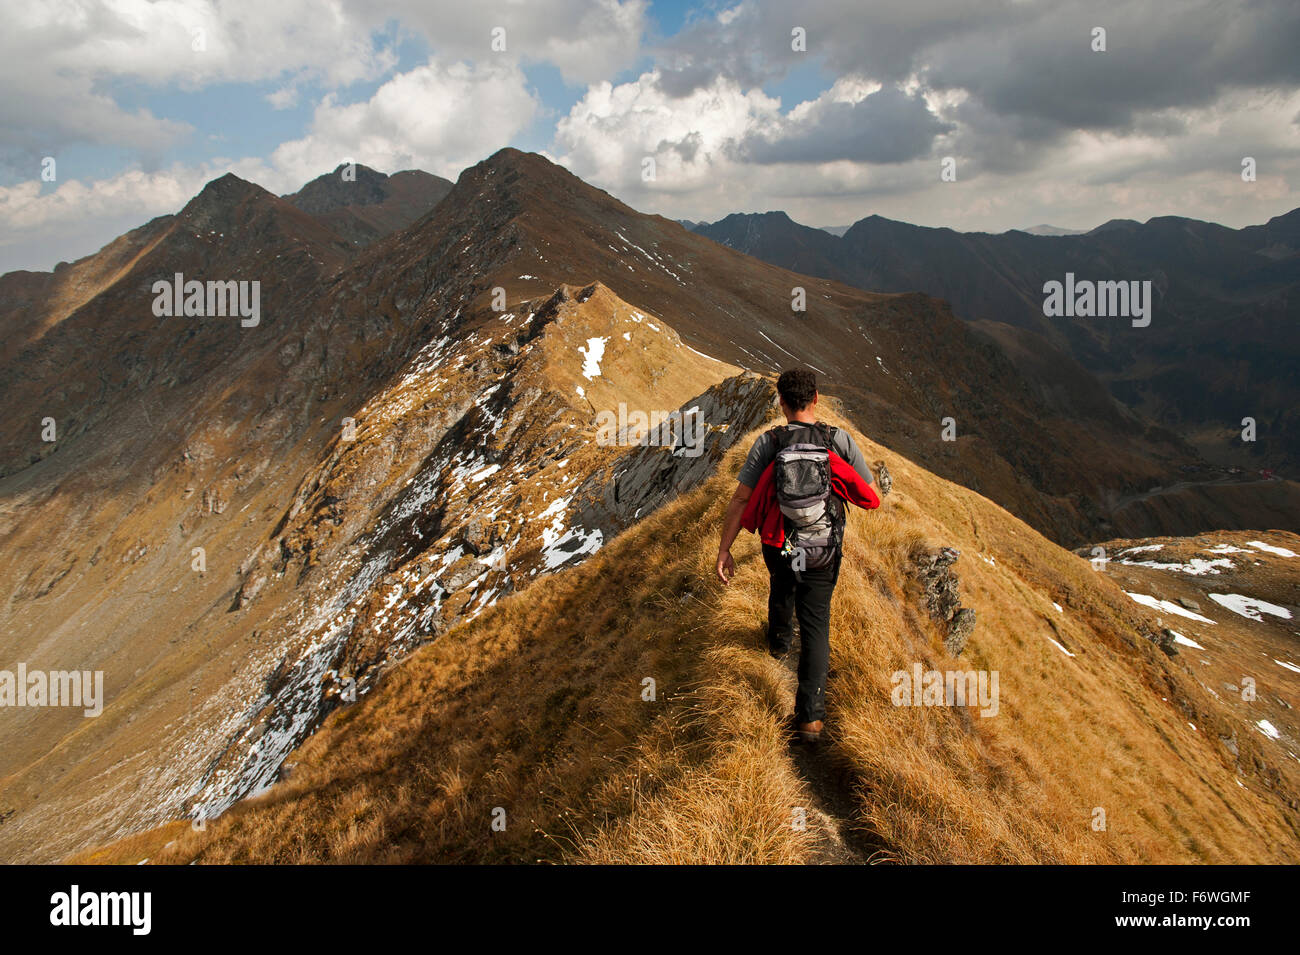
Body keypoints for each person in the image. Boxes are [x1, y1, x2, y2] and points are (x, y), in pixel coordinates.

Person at [715, 369, 880, 744]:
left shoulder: (769, 442)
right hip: (822, 547)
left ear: (781, 402)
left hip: (780, 544)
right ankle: (810, 720)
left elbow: (741, 498)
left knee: (781, 587)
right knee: (817, 625)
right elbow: (869, 492)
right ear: (817, 398)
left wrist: (725, 550)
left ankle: (778, 642)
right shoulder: (838, 440)